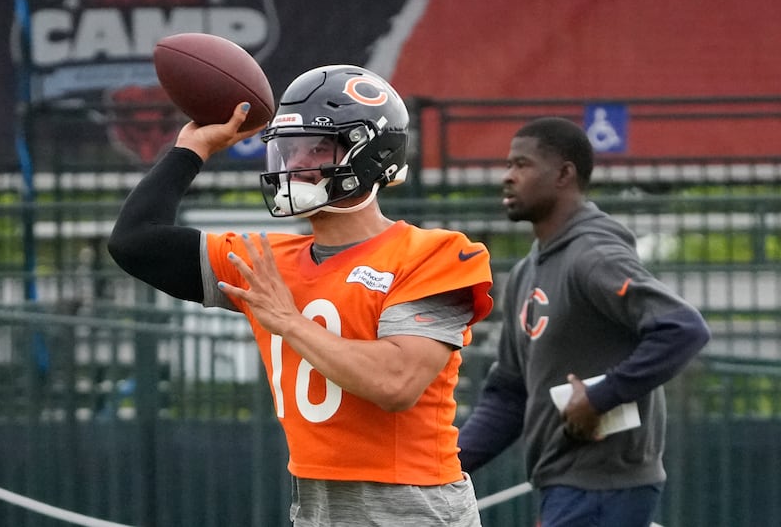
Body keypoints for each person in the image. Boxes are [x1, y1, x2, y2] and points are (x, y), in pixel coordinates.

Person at [107, 64, 494, 526]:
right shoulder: (269, 262)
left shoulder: (434, 254)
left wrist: (290, 321)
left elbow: (395, 385)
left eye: (315, 148)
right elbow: (134, 241)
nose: (293, 165)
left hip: (413, 508)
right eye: (287, 151)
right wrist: (191, 150)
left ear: (370, 154)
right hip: (315, 506)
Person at [457, 117, 711, 527]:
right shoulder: (526, 272)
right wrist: (444, 463)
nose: (507, 177)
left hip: (605, 487)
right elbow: (508, 392)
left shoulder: (593, 254)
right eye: (507, 165)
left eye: (521, 165)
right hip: (564, 485)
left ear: (563, 174)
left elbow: (682, 328)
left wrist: (601, 397)